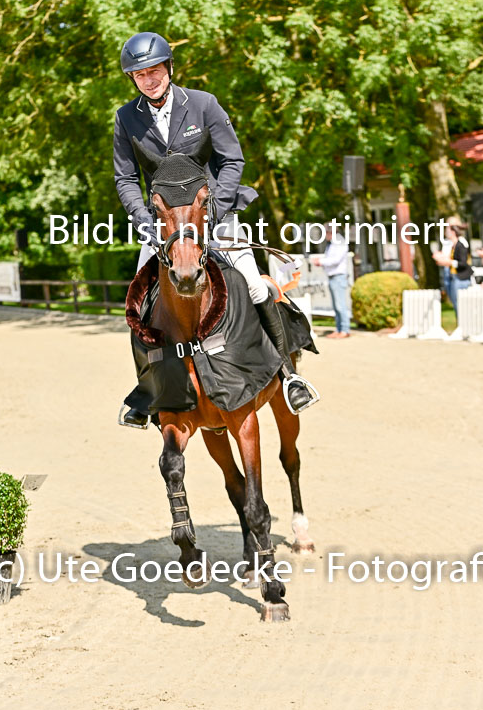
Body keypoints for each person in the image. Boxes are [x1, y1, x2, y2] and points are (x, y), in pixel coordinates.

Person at [113, 31, 314, 426]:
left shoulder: (203, 105)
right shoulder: (126, 118)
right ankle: (145, 394)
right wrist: (145, 221)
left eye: (154, 71)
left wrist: (216, 211)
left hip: (211, 215)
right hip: (164, 225)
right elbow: (124, 178)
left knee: (254, 285)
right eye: (140, 75)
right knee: (138, 303)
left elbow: (232, 160)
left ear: (169, 68)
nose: (149, 80)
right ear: (133, 80)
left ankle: (289, 376)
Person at [312, 229, 351, 338]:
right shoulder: (333, 243)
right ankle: (339, 329)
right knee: (336, 306)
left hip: (338, 276)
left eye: (325, 233)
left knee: (340, 305)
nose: (324, 235)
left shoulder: (339, 242)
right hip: (333, 276)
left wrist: (321, 261)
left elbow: (335, 260)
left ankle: (344, 330)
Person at [432, 217, 473, 317]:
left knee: (460, 304)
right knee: (455, 302)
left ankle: (463, 326)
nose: (446, 232)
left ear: (453, 231)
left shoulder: (461, 244)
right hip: (452, 275)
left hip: (460, 277)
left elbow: (463, 263)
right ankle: (460, 325)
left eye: (448, 229)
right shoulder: (452, 245)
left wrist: (449, 262)